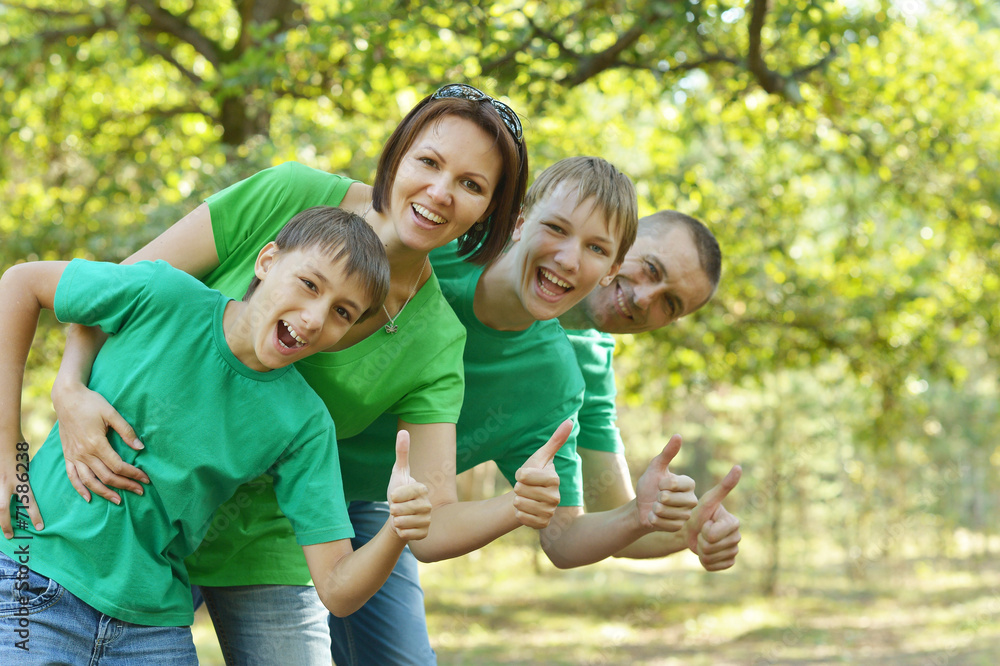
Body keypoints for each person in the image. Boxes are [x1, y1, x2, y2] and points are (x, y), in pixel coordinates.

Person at [45, 83, 568, 664]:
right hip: (137, 498)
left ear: (490, 213)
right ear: (398, 152)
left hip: (270, 538)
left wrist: (514, 506)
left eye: (472, 185)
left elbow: (433, 518)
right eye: (429, 162)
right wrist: (69, 390)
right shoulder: (290, 194)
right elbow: (111, 290)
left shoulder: (438, 340)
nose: (441, 193)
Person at [0, 207, 433, 664]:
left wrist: (395, 530)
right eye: (310, 284)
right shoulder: (164, 295)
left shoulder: (305, 424)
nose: (313, 318)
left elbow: (338, 590)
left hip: (150, 625)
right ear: (267, 261)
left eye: (341, 312)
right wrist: (7, 444)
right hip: (32, 579)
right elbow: (20, 284)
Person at [330, 157, 708, 664]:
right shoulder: (436, 245)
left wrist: (650, 519)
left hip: (379, 505)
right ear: (518, 219)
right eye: (557, 229)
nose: (644, 298)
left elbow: (565, 531)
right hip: (276, 455)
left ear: (609, 265)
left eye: (596, 248)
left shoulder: (562, 380)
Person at [558, 209, 742, 567]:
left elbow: (614, 519)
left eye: (669, 304)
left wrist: (690, 527)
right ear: (623, 237)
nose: (644, 298)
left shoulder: (588, 372)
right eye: (652, 269)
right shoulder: (477, 244)